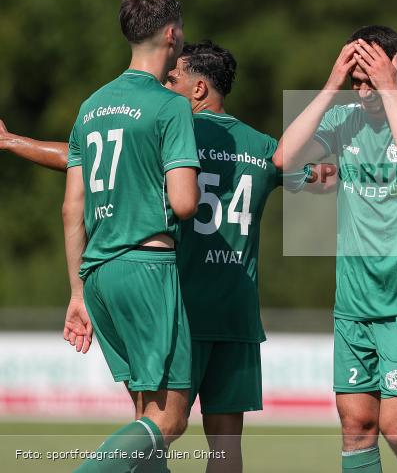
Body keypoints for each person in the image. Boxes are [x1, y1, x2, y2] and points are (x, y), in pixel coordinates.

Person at [1, 41, 334, 473]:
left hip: (177, 305)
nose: (163, 84)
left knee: (152, 428)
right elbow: (313, 176)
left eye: (172, 79)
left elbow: (81, 162)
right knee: (226, 447)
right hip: (236, 313)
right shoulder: (264, 148)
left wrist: (14, 142)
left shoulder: (169, 131)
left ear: (197, 89)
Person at [275, 25, 397, 473]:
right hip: (355, 301)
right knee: (356, 426)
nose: (363, 89)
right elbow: (285, 160)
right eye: (356, 80)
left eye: (371, 77)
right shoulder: (343, 119)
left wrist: (390, 90)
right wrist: (330, 86)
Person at [65, 0, 199, 472]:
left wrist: (77, 293)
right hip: (146, 267)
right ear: (171, 34)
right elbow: (184, 203)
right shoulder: (169, 106)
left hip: (98, 275)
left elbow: (70, 208)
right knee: (170, 420)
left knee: (145, 415)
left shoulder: (90, 106)